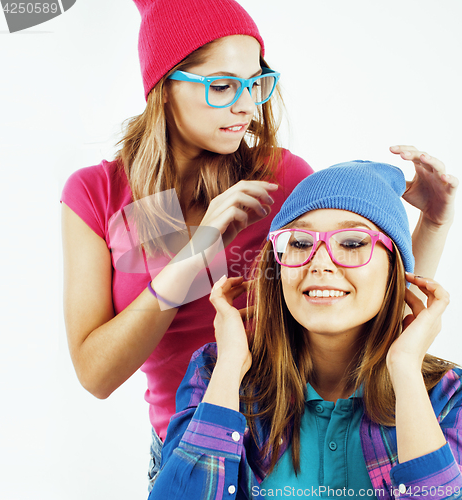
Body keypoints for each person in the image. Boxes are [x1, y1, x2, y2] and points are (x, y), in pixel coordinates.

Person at [60, 0, 457, 492]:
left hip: (284, 442)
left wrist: (434, 223)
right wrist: (194, 255)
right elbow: (96, 375)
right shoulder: (98, 195)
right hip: (188, 448)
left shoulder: (281, 178)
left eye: (256, 83)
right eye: (223, 86)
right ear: (163, 89)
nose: (248, 106)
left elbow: (370, 289)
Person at [150, 160, 461, 500]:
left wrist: (404, 370)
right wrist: (229, 369)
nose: (320, 262)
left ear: (395, 272)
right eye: (299, 242)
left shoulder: (446, 397)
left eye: (353, 243)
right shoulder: (214, 373)